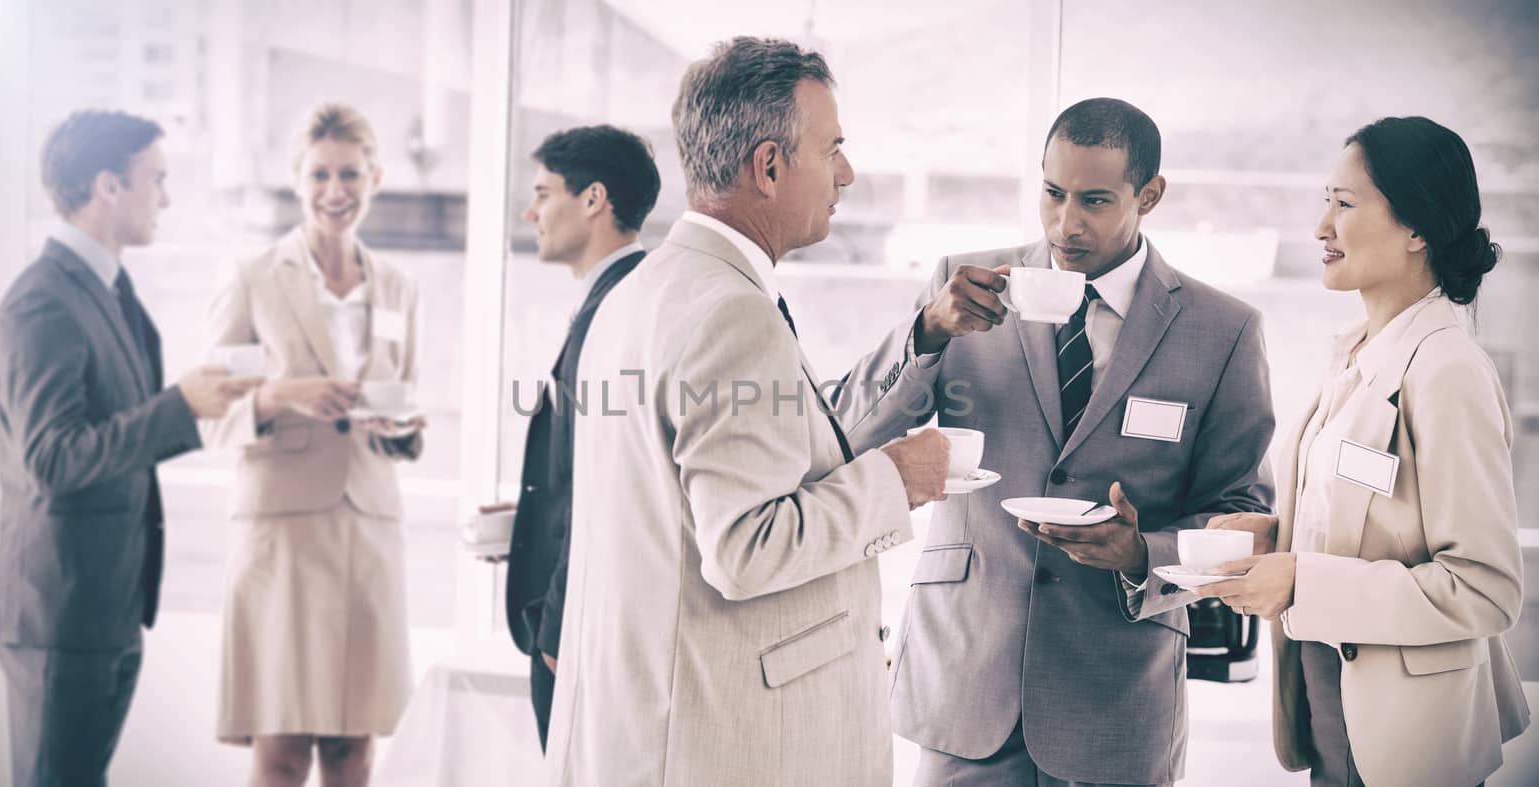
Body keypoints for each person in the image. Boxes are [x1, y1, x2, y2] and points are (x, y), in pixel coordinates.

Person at [544, 37, 951, 785]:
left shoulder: (637, 291)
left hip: (645, 728)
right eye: (832, 150)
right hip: (724, 741)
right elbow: (746, 547)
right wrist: (895, 481)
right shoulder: (733, 314)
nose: (847, 173)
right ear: (768, 166)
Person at [834, 97, 1276, 786]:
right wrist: (927, 331)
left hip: (1116, 701)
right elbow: (851, 431)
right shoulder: (963, 285)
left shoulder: (1222, 331)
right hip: (966, 688)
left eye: (1095, 201)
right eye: (1052, 193)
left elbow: (1242, 514)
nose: (1066, 224)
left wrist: (1143, 553)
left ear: (1149, 195)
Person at [1196, 116, 1530, 786]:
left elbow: (1486, 588)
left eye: (1344, 204)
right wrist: (1274, 539)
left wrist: (1302, 580)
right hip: (1334, 722)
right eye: (1326, 199)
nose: (1321, 226)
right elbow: (1365, 522)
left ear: (1418, 229)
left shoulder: (1447, 371)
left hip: (1406, 744)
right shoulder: (1356, 352)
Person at [0, 110, 257, 786]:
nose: (165, 198)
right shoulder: (42, 303)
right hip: (59, 612)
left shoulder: (109, 290)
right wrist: (179, 405)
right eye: (156, 179)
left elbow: (116, 431)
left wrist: (201, 407)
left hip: (104, 606)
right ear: (108, 185)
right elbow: (53, 458)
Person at [201, 102, 426, 787]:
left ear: (376, 177)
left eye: (351, 173)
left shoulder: (398, 287)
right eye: (321, 173)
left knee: (355, 747)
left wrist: (407, 430)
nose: (337, 190)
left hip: (369, 527)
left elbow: (405, 392)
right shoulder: (254, 277)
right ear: (297, 178)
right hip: (285, 537)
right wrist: (283, 393)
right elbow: (214, 412)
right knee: (284, 747)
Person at [488, 125, 661, 750]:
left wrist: (559, 633)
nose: (531, 212)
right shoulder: (615, 298)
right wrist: (530, 516)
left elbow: (616, 489)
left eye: (542, 193)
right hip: (579, 617)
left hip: (579, 628)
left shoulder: (617, 309)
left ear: (593, 200)